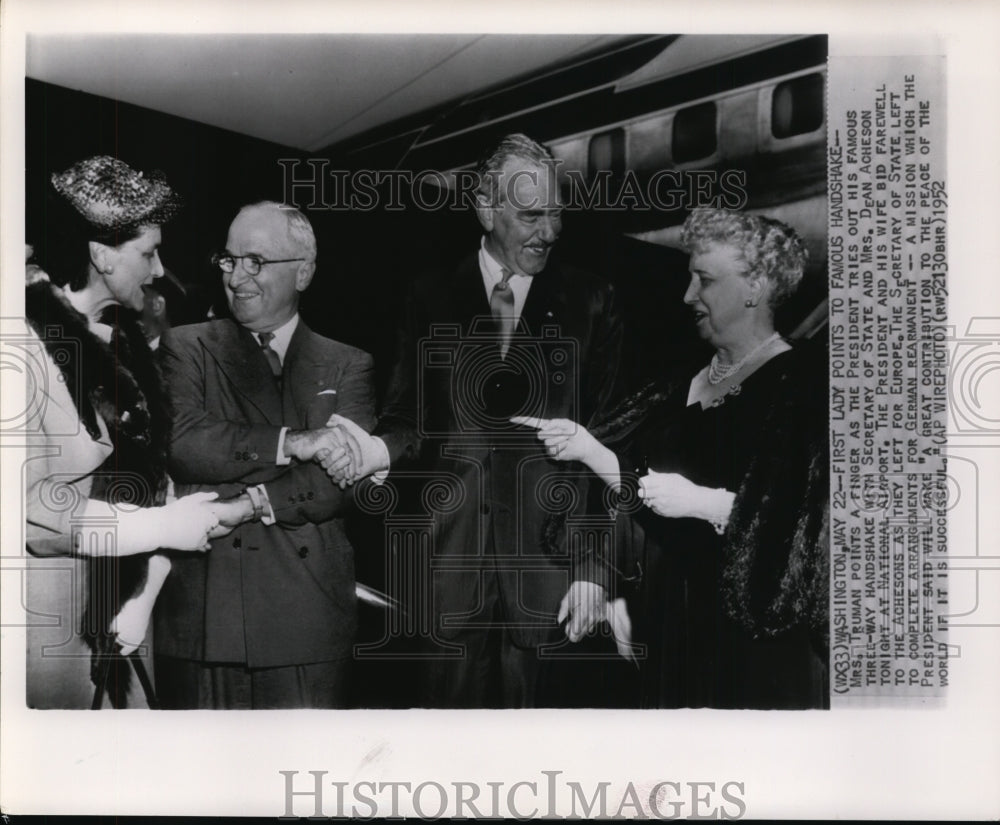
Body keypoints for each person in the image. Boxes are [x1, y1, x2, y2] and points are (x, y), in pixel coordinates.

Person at [320, 134, 625, 708]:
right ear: (485, 209)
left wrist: (593, 566)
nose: (551, 231)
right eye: (532, 215)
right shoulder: (428, 294)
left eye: (557, 214)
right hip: (446, 572)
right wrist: (376, 451)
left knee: (536, 769)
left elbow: (607, 439)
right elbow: (409, 416)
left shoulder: (593, 301)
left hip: (549, 575)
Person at [519, 208, 829, 709]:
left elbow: (815, 527)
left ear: (755, 289)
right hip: (668, 625)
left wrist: (709, 504)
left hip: (755, 644)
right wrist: (606, 582)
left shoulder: (807, 385)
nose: (688, 295)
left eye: (704, 279)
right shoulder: (675, 383)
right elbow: (631, 495)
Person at [153, 201, 377, 709]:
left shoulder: (347, 364)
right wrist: (295, 442)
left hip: (305, 620)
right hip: (206, 616)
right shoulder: (187, 347)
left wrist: (249, 500)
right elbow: (185, 445)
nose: (236, 277)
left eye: (255, 261)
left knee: (300, 780)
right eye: (229, 261)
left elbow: (341, 483)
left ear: (303, 271)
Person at [24, 156, 223, 709]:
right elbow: (28, 513)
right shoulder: (19, 347)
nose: (159, 270)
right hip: (50, 631)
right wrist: (159, 525)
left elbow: (154, 482)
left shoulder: (126, 348)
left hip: (126, 622)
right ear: (100, 254)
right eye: (147, 252)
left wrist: (144, 593)